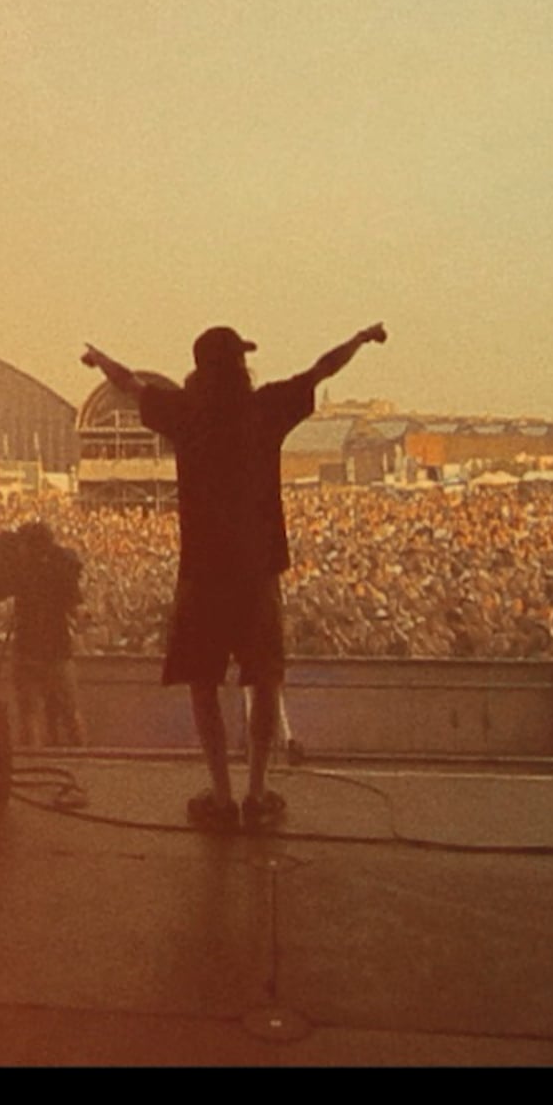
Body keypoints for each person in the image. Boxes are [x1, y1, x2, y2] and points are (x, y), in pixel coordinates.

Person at [83, 321, 387, 831]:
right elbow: (321, 369)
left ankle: (221, 796)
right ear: (239, 366)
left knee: (203, 684)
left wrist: (100, 359)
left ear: (199, 368)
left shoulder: (185, 413)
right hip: (256, 570)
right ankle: (258, 792)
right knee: (264, 678)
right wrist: (359, 340)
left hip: (202, 570)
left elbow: (130, 384)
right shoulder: (263, 408)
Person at [0, 520, 87, 747]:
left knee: (28, 713)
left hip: (27, 648)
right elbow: (75, 609)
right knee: (69, 711)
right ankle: (81, 758)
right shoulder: (62, 567)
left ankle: (33, 756)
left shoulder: (21, 570)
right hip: (57, 648)